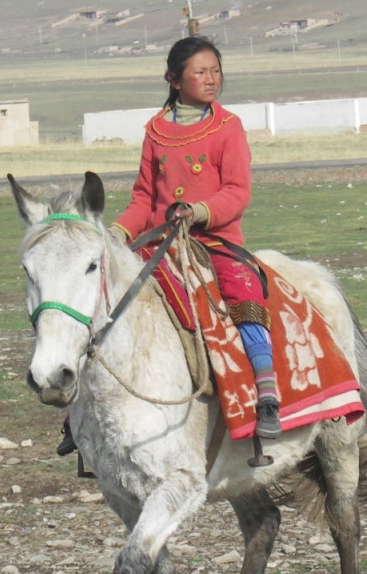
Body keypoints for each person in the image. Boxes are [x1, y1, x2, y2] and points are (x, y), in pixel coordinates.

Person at [109, 36, 282, 439]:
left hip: (214, 241)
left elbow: (238, 192)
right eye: (200, 72)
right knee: (110, 300)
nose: (211, 79)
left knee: (245, 292)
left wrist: (199, 212)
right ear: (174, 79)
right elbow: (143, 197)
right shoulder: (155, 131)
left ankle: (266, 390)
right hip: (158, 244)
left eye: (215, 71)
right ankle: (82, 412)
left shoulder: (227, 128)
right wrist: (116, 235)